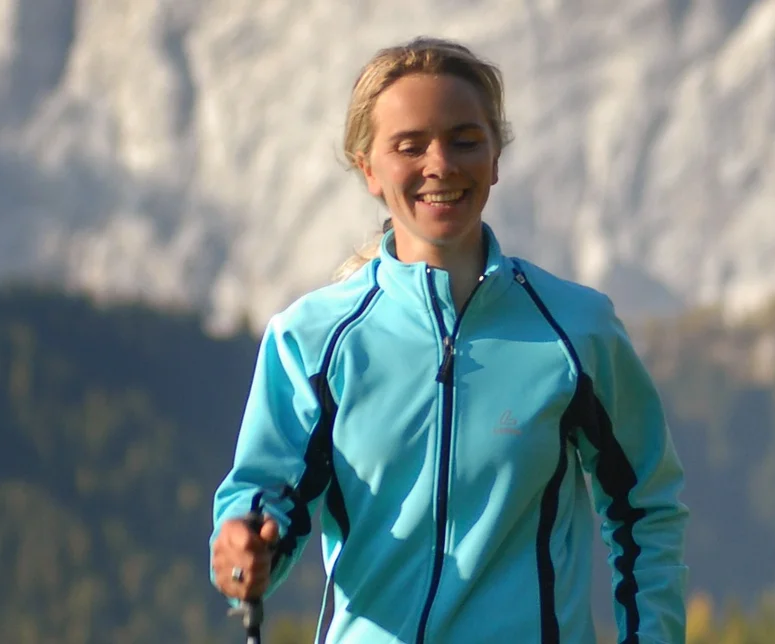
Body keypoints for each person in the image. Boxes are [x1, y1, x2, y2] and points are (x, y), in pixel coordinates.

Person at [207, 37, 690, 644]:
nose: (441, 164)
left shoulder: (579, 330)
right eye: (410, 146)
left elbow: (645, 509)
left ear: (495, 157)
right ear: (368, 170)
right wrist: (239, 553)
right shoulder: (310, 341)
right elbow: (262, 506)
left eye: (465, 140)